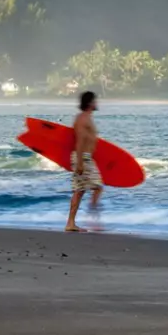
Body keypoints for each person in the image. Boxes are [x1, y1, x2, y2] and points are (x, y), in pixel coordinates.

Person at [65, 89, 101, 231]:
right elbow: (79, 141)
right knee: (97, 187)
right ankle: (92, 221)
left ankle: (71, 223)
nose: (97, 103)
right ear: (90, 102)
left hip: (85, 158)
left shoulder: (86, 118)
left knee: (80, 190)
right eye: (95, 100)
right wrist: (80, 162)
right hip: (83, 159)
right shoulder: (83, 119)